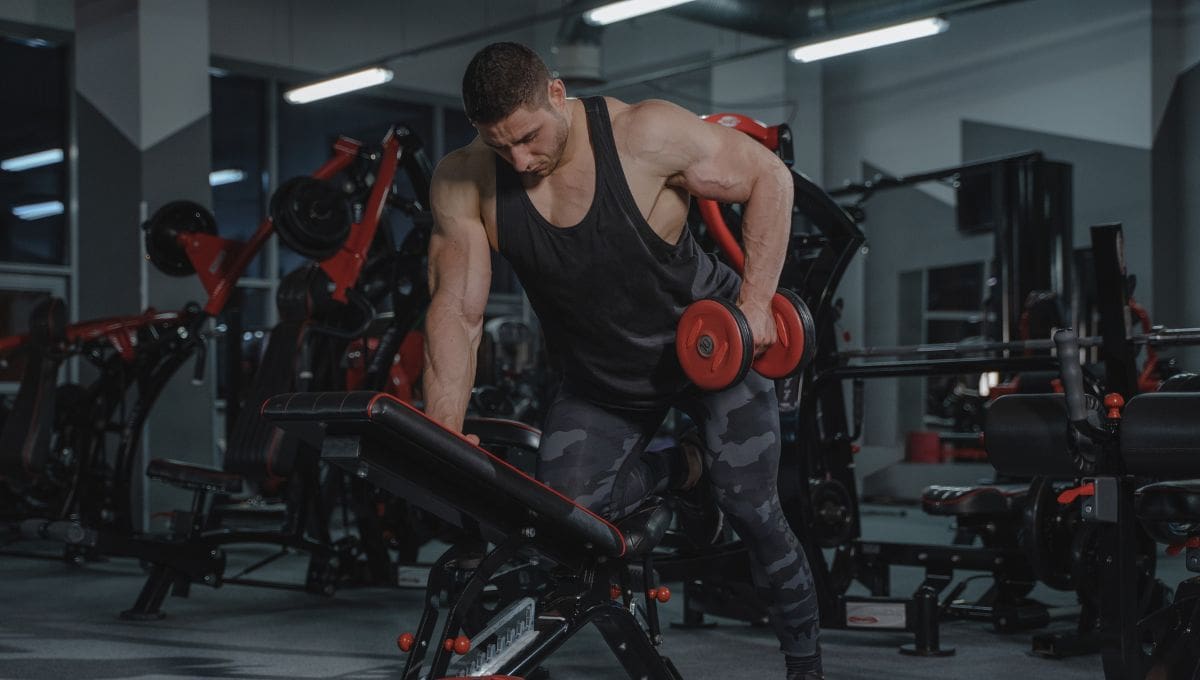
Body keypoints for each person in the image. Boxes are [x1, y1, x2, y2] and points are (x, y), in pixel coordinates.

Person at [422, 41, 823, 680]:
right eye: (501, 147)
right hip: (601, 379)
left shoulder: (644, 134)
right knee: (564, 520)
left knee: (751, 507)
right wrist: (441, 431)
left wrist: (752, 306)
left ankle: (805, 663)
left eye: (528, 137)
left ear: (557, 93)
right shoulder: (463, 179)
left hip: (707, 353)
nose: (520, 160)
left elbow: (768, 177)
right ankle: (686, 467)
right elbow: (458, 310)